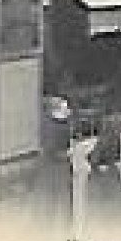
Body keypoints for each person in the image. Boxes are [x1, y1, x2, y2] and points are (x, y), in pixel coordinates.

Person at [36, 95, 75, 227]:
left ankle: (62, 226)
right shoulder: (50, 126)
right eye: (64, 107)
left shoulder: (62, 123)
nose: (68, 110)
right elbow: (49, 149)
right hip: (53, 168)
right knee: (54, 200)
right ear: (55, 110)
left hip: (60, 167)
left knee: (62, 200)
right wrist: (66, 154)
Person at [85, 118, 121, 229]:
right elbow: (117, 156)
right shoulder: (114, 138)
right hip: (111, 174)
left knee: (101, 208)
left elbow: (94, 158)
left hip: (102, 177)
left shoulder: (105, 138)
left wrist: (93, 159)